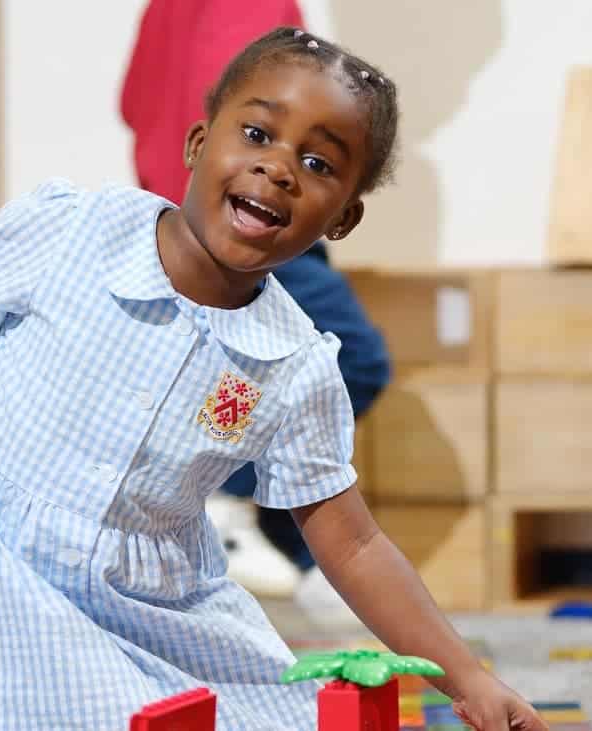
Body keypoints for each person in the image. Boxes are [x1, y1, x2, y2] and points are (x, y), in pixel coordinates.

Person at [0, 27, 545, 731]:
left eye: (320, 164)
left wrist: (465, 675)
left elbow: (353, 541)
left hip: (152, 591)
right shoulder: (72, 233)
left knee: (266, 715)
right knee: (83, 711)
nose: (281, 168)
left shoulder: (293, 363)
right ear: (196, 144)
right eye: (257, 135)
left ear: (344, 218)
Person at [121, 0, 393, 615]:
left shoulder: (166, 11)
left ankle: (263, 533)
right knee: (351, 360)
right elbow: (271, 121)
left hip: (189, 211)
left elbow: (136, 105)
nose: (282, 158)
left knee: (245, 379)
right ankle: (224, 499)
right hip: (244, 223)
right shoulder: (252, 10)